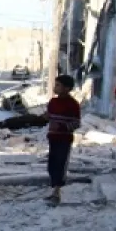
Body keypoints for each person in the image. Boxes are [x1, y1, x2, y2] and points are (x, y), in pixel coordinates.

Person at [45, 74, 82, 205]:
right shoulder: (52, 102)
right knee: (51, 165)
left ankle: (57, 192)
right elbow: (48, 117)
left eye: (58, 85)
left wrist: (62, 126)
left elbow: (77, 123)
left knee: (61, 164)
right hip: (53, 138)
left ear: (67, 88)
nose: (55, 87)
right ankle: (54, 189)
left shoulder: (73, 105)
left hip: (64, 139)